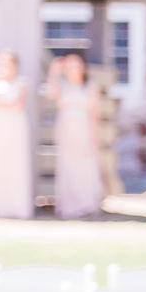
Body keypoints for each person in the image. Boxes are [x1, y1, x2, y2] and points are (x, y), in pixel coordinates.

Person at [49, 54, 104, 219]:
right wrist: (54, 72)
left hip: (84, 128)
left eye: (76, 65)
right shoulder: (62, 86)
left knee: (85, 163)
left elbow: (95, 113)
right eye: (69, 65)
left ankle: (86, 203)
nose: (72, 69)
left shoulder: (90, 87)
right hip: (66, 128)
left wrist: (95, 136)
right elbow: (51, 94)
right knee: (67, 164)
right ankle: (69, 204)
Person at [0, 50, 34, 220]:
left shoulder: (21, 83)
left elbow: (18, 105)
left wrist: (2, 103)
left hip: (15, 128)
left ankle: (17, 207)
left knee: (15, 164)